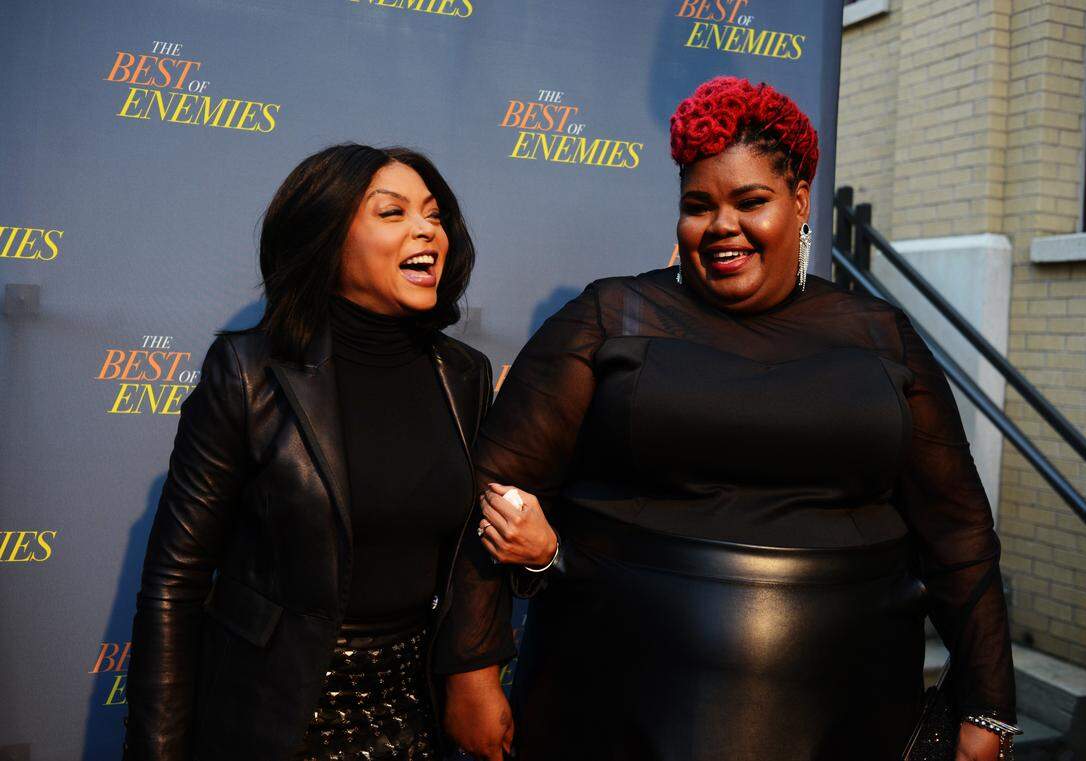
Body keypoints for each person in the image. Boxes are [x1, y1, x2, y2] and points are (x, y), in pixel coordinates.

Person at [437, 78, 1019, 761]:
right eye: (698, 206)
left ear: (800, 201)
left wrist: (988, 701)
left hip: (851, 714)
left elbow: (958, 528)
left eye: (751, 201)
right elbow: (498, 483)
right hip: (603, 706)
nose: (721, 227)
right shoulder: (611, 316)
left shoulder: (880, 334)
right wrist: (471, 667)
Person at [123, 144, 492, 760]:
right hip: (278, 712)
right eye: (392, 213)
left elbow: (474, 560)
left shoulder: (465, 376)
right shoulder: (247, 372)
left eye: (433, 213)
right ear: (327, 238)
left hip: (414, 710)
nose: (428, 228)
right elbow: (174, 585)